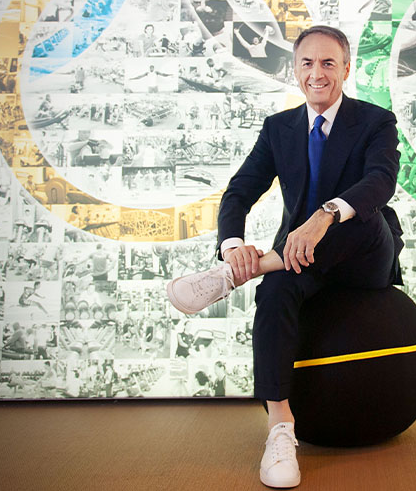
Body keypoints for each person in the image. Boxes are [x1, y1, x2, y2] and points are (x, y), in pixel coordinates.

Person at [166, 25, 403, 488]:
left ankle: (241, 274)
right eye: (307, 63)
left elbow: (381, 181)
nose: (317, 73)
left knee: (358, 214)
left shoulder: (376, 121)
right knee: (272, 293)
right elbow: (238, 192)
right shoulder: (279, 129)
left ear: (346, 69)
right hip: (299, 261)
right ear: (295, 70)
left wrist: (325, 214)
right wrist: (234, 246)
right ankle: (280, 428)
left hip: (364, 256)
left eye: (328, 63)